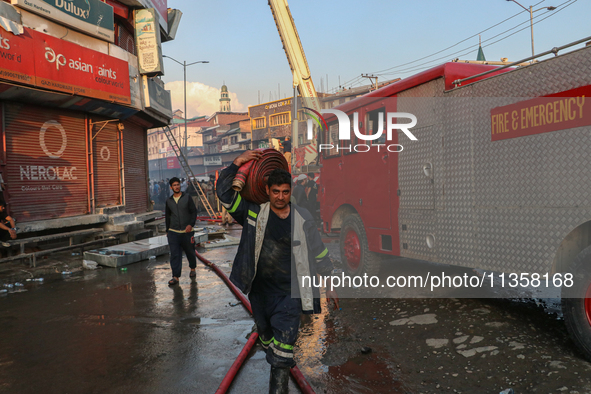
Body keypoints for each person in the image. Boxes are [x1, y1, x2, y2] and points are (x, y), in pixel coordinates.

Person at [216, 151, 338, 394]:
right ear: (267, 190)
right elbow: (225, 194)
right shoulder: (253, 213)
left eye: (285, 192)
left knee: (282, 354)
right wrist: (236, 164)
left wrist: (330, 283)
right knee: (268, 339)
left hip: (289, 295)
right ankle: (269, 343)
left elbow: (319, 252)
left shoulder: (303, 219)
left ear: (290, 192)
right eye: (276, 192)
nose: (280, 197)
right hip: (260, 294)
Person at [165, 177, 198, 286]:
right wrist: (167, 230)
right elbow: (168, 217)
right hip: (173, 232)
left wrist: (190, 225)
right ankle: (175, 277)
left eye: (178, 184)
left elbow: (193, 212)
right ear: (171, 187)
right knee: (175, 255)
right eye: (174, 185)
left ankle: (192, 268)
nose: (177, 186)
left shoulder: (187, 198)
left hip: (187, 232)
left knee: (190, 252)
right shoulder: (169, 201)